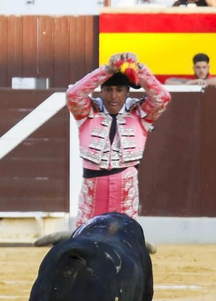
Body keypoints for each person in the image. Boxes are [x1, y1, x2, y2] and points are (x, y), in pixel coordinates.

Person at [66, 53, 169, 221]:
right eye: (108, 90)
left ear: (127, 92)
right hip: (93, 193)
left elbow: (163, 98)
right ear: (101, 91)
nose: (114, 96)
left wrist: (140, 71)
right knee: (87, 234)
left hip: (125, 193)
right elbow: (73, 95)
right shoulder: (87, 111)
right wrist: (107, 70)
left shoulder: (139, 113)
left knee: (125, 234)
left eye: (119, 90)